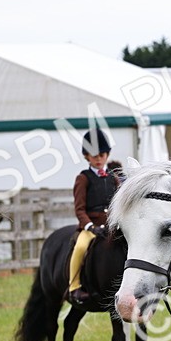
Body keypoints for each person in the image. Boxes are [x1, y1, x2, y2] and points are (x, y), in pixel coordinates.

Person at [67, 128, 120, 306]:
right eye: (94, 155)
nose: (99, 158)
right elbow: (79, 209)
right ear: (86, 156)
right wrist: (90, 227)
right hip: (91, 227)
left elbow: (119, 203)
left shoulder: (113, 177)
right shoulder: (83, 178)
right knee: (80, 247)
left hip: (112, 225)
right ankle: (74, 286)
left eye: (102, 154)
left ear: (107, 154)